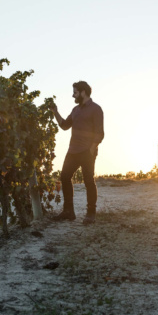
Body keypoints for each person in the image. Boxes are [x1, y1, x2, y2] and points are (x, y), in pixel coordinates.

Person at [51, 80, 104, 224]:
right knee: (65, 176)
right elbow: (64, 125)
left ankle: (91, 213)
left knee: (88, 181)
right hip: (72, 151)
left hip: (87, 151)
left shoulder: (96, 109)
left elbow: (100, 133)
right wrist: (55, 111)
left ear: (83, 92)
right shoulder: (75, 110)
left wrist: (91, 149)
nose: (73, 95)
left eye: (75, 92)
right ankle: (69, 211)